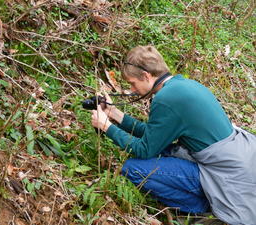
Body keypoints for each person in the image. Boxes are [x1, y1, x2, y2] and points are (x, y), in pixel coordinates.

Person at [91, 45, 256, 225]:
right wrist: (115, 115)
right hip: (240, 160)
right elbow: (154, 136)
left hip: (226, 172)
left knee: (133, 168)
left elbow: (144, 150)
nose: (133, 90)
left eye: (132, 83)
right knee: (163, 152)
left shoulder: (166, 99)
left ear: (146, 76)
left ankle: (200, 208)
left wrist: (106, 127)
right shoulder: (182, 85)